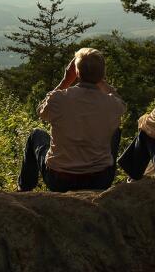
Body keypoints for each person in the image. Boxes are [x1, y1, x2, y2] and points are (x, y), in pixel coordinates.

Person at [17, 47, 126, 192]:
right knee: (115, 132)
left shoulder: (59, 99)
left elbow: (41, 111)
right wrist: (100, 81)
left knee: (36, 135)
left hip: (60, 180)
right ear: (102, 74)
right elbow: (121, 104)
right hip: (99, 180)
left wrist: (65, 80)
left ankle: (24, 190)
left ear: (77, 72)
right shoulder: (112, 104)